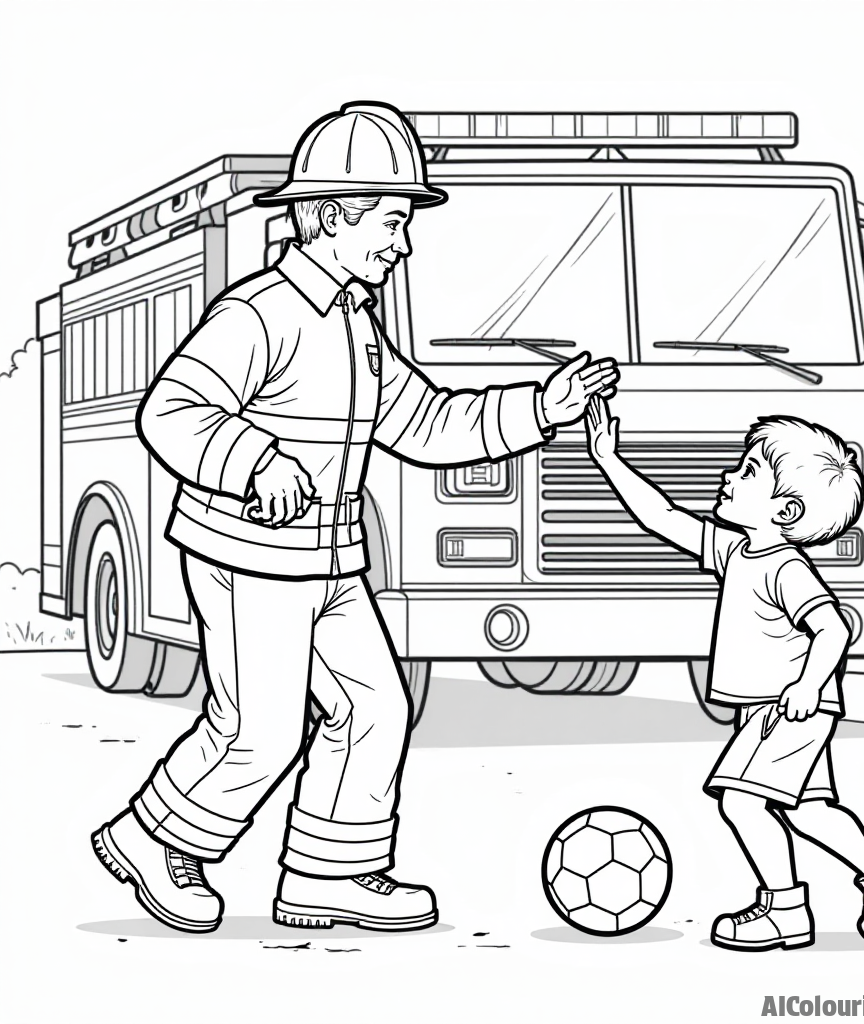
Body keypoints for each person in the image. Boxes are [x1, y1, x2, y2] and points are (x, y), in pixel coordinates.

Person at [91, 101, 619, 934]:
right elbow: (173, 411)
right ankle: (153, 837)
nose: (401, 241)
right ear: (332, 216)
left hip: (329, 562)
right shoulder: (259, 313)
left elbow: (421, 422)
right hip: (247, 558)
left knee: (375, 707)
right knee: (257, 731)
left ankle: (331, 874)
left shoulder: (355, 325)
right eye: (391, 219)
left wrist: (538, 409)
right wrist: (253, 462)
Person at [585, 401, 864, 951]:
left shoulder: (786, 567)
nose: (728, 475)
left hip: (788, 708)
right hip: (768, 707)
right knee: (809, 810)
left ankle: (786, 910)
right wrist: (609, 459)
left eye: (747, 473)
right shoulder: (738, 550)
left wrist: (807, 686)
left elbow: (833, 629)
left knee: (741, 801)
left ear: (785, 511)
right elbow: (663, 519)